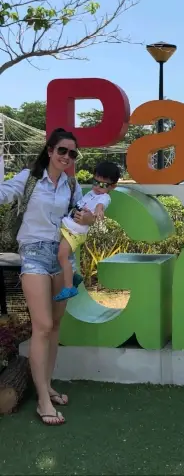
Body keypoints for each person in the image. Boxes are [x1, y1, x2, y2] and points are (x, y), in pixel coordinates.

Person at [0, 128, 95, 426]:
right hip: (34, 254)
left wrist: (90, 219)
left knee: (54, 328)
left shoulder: (71, 184)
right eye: (62, 151)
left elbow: (85, 218)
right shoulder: (29, 179)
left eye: (72, 153)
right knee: (41, 326)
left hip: (63, 256)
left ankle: (47, 385)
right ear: (50, 150)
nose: (67, 157)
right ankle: (42, 400)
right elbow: (3, 194)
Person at [55, 161, 120, 302]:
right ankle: (74, 276)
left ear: (112, 186)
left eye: (103, 185)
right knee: (58, 252)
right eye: (95, 182)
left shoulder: (104, 197)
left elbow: (101, 205)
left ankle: (69, 287)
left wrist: (98, 210)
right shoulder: (92, 193)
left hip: (74, 233)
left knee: (62, 256)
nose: (97, 187)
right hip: (68, 226)